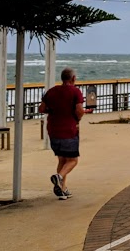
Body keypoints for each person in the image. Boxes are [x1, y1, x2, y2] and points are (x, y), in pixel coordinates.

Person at [39, 67, 93, 200]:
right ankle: (59, 177)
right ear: (73, 78)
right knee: (73, 160)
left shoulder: (51, 91)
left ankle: (62, 189)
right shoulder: (75, 92)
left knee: (62, 160)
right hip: (69, 130)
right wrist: (77, 119)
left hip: (53, 130)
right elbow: (79, 110)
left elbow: (42, 108)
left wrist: (55, 111)